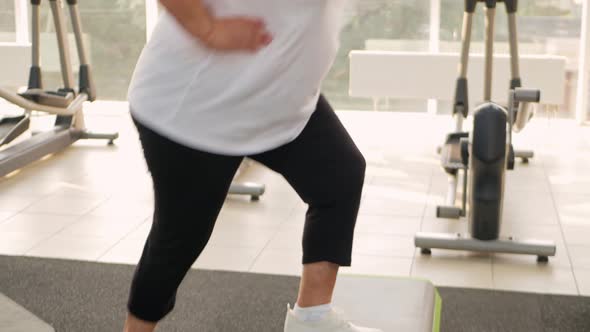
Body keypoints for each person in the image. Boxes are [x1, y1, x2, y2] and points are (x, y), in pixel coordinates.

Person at [124, 1, 381, 331]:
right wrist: (208, 28)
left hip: (281, 101)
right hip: (196, 112)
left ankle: (313, 321)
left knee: (339, 178)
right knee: (178, 241)